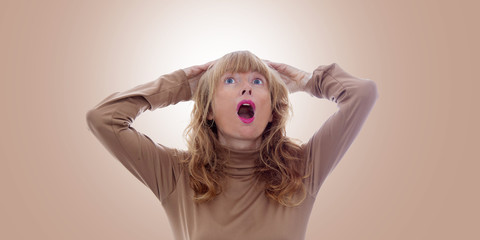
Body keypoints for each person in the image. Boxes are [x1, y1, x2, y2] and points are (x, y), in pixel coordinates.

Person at [86, 51, 378, 240]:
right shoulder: (176, 174)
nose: (246, 87)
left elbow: (362, 94)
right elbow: (103, 119)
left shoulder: (304, 168)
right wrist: (181, 86)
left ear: (273, 109)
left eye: (258, 81)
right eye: (229, 80)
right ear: (209, 108)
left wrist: (309, 81)